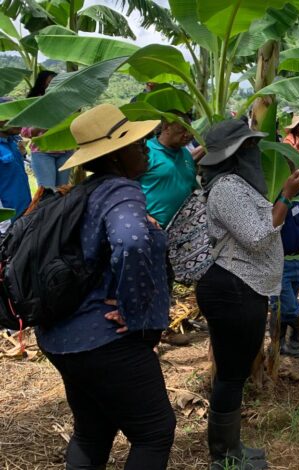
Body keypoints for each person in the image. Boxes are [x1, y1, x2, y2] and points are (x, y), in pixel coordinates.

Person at [36, 104, 176, 469]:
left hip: (63, 338)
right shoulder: (120, 190)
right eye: (136, 142)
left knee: (93, 431)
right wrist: (136, 310)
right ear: (115, 155)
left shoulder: (84, 192)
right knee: (154, 431)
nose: (145, 146)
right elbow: (131, 241)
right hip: (104, 339)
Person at [196, 120, 299, 469]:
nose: (255, 153)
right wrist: (286, 197)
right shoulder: (227, 187)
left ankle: (232, 448)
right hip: (232, 287)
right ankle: (224, 456)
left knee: (236, 371)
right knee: (231, 373)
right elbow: (258, 236)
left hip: (243, 286)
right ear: (235, 153)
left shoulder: (236, 185)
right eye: (249, 148)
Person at [270, 179, 299, 358]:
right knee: (288, 306)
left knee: (282, 304)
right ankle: (296, 337)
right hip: (279, 261)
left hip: (298, 259)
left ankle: (278, 342)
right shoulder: (276, 198)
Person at [138, 113, 198, 228]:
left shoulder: (186, 154)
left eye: (189, 130)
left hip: (183, 229)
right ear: (166, 127)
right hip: (153, 228)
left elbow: (191, 186)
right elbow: (129, 189)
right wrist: (144, 216)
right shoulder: (146, 152)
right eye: (182, 130)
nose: (187, 135)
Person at [21, 71, 73, 188]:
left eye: (56, 82)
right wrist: (44, 125)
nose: (52, 86)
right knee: (47, 190)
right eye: (49, 83)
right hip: (43, 152)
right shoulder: (34, 103)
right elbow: (25, 131)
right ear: (42, 84)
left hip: (65, 151)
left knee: (62, 191)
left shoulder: (66, 102)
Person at [0, 98, 31, 229]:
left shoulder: (13, 141)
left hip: (25, 212)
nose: (19, 121)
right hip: (7, 222)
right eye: (12, 117)